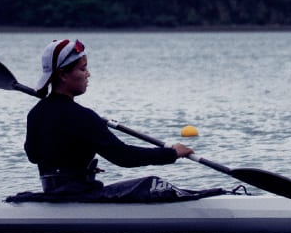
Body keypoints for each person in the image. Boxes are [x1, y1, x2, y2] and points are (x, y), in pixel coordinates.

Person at [13, 38, 220, 202]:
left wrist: (81, 167)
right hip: (77, 198)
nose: (88, 74)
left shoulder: (36, 113)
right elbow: (124, 157)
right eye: (82, 68)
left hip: (54, 195)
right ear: (63, 75)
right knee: (153, 184)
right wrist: (172, 153)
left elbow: (35, 155)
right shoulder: (83, 117)